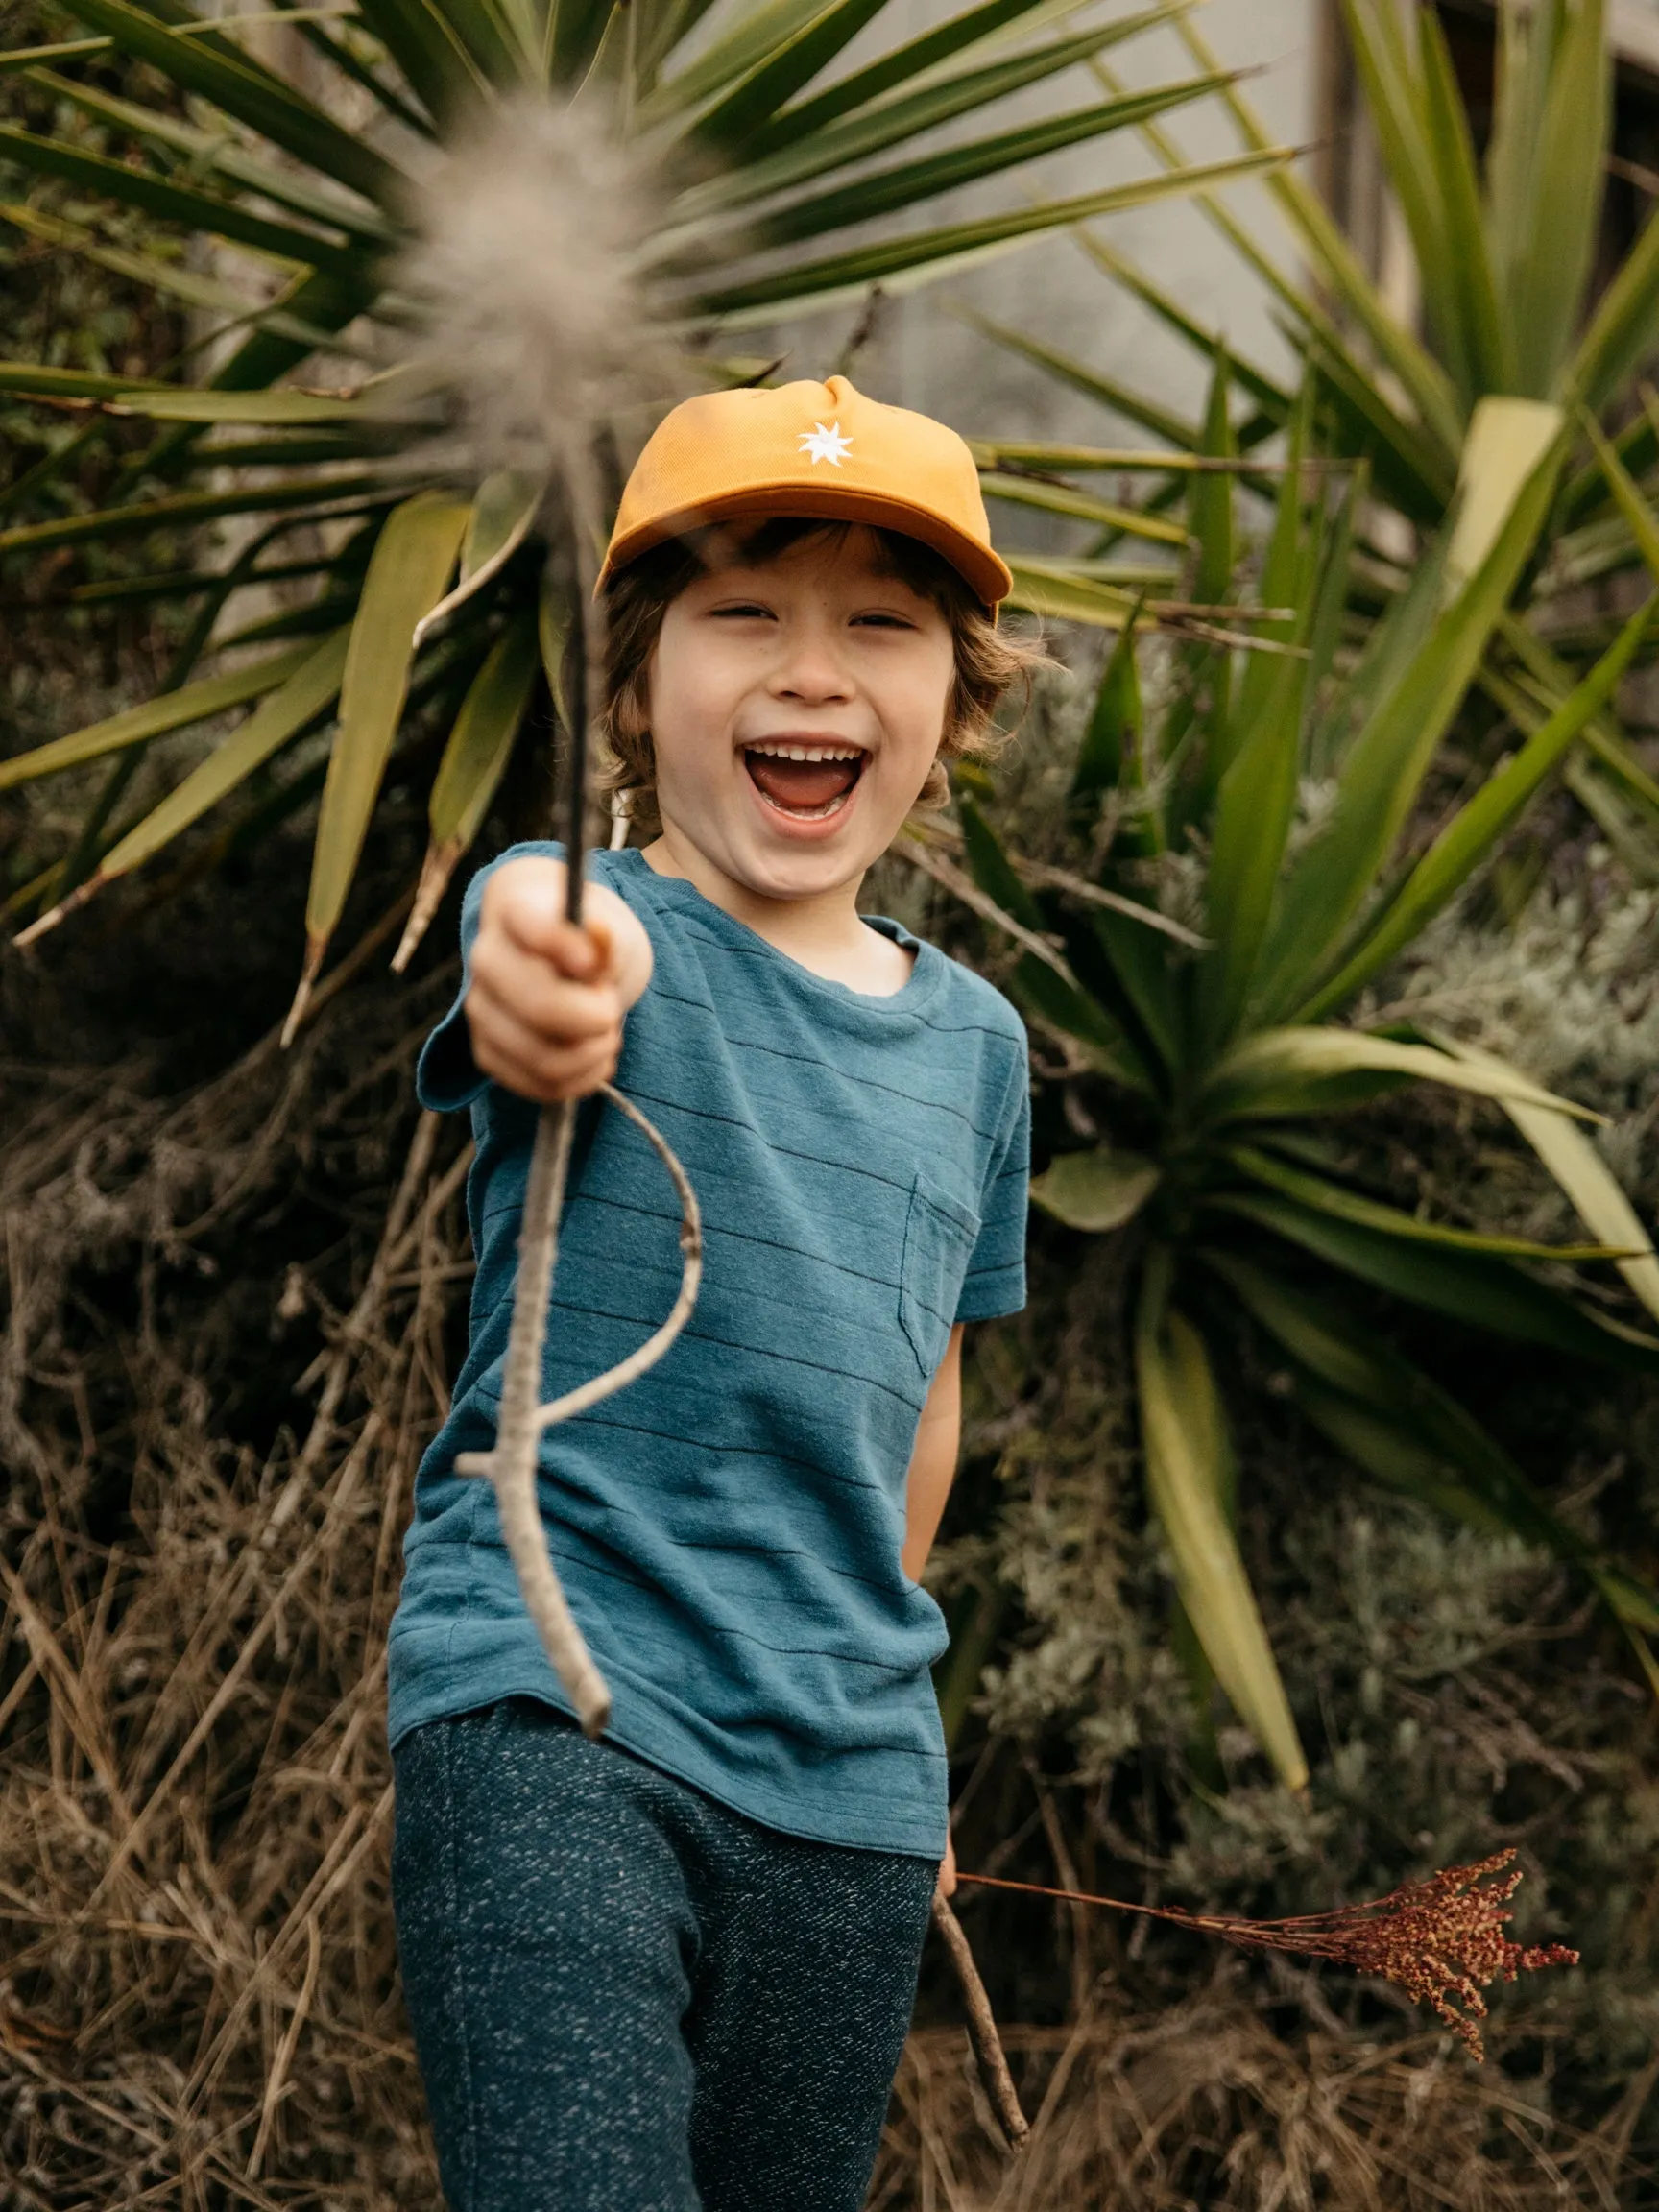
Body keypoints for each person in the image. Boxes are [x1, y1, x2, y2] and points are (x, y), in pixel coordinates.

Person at [389, 374, 1041, 2212]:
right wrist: (546, 984)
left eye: (882, 626)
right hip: (553, 1720)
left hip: (850, 1792)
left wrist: (879, 1703)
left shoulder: (979, 1049)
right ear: (632, 682)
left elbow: (927, 1397)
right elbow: (530, 947)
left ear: (953, 699)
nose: (812, 670)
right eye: (745, 611)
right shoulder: (589, 911)